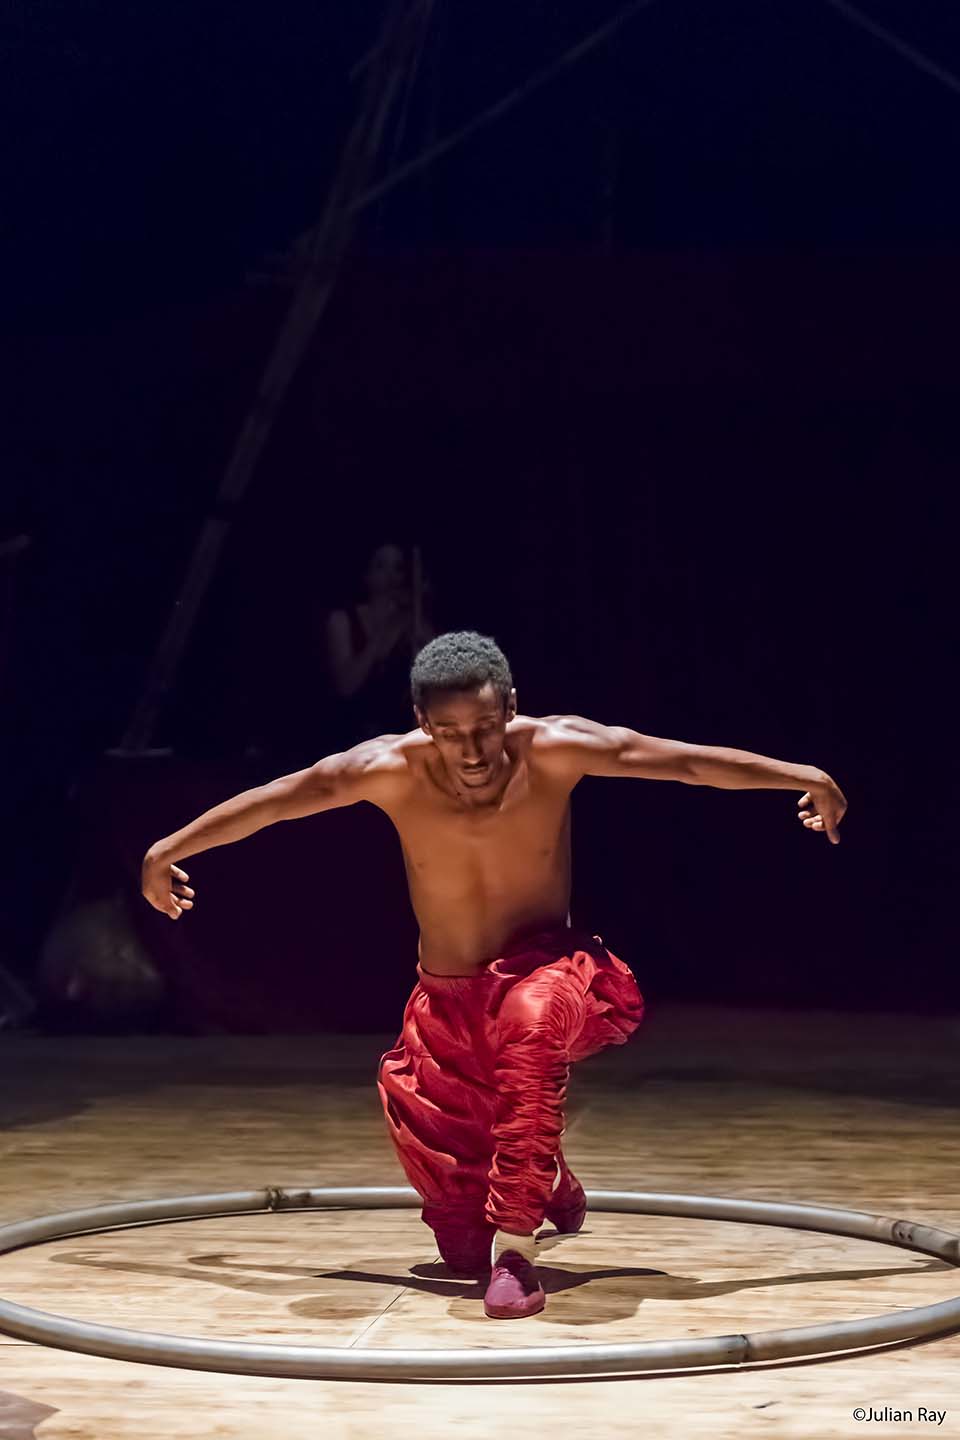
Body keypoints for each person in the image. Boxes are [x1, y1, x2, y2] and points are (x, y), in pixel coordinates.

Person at [141, 630, 847, 1320]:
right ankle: (548, 1177)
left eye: (485, 727)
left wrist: (803, 775)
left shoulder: (556, 749)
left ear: (510, 706)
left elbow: (683, 763)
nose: (473, 751)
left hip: (551, 975)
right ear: (422, 723)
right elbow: (276, 799)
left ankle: (516, 1251)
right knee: (455, 1248)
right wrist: (166, 850)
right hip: (449, 1002)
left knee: (529, 1026)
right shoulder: (386, 769)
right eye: (451, 733)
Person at [323, 540, 436, 749]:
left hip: (399, 736)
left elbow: (440, 674)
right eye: (381, 566)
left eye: (397, 568)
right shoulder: (343, 619)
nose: (390, 577)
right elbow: (347, 685)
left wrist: (415, 611)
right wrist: (386, 628)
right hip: (351, 737)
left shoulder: (411, 618)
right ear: (366, 573)